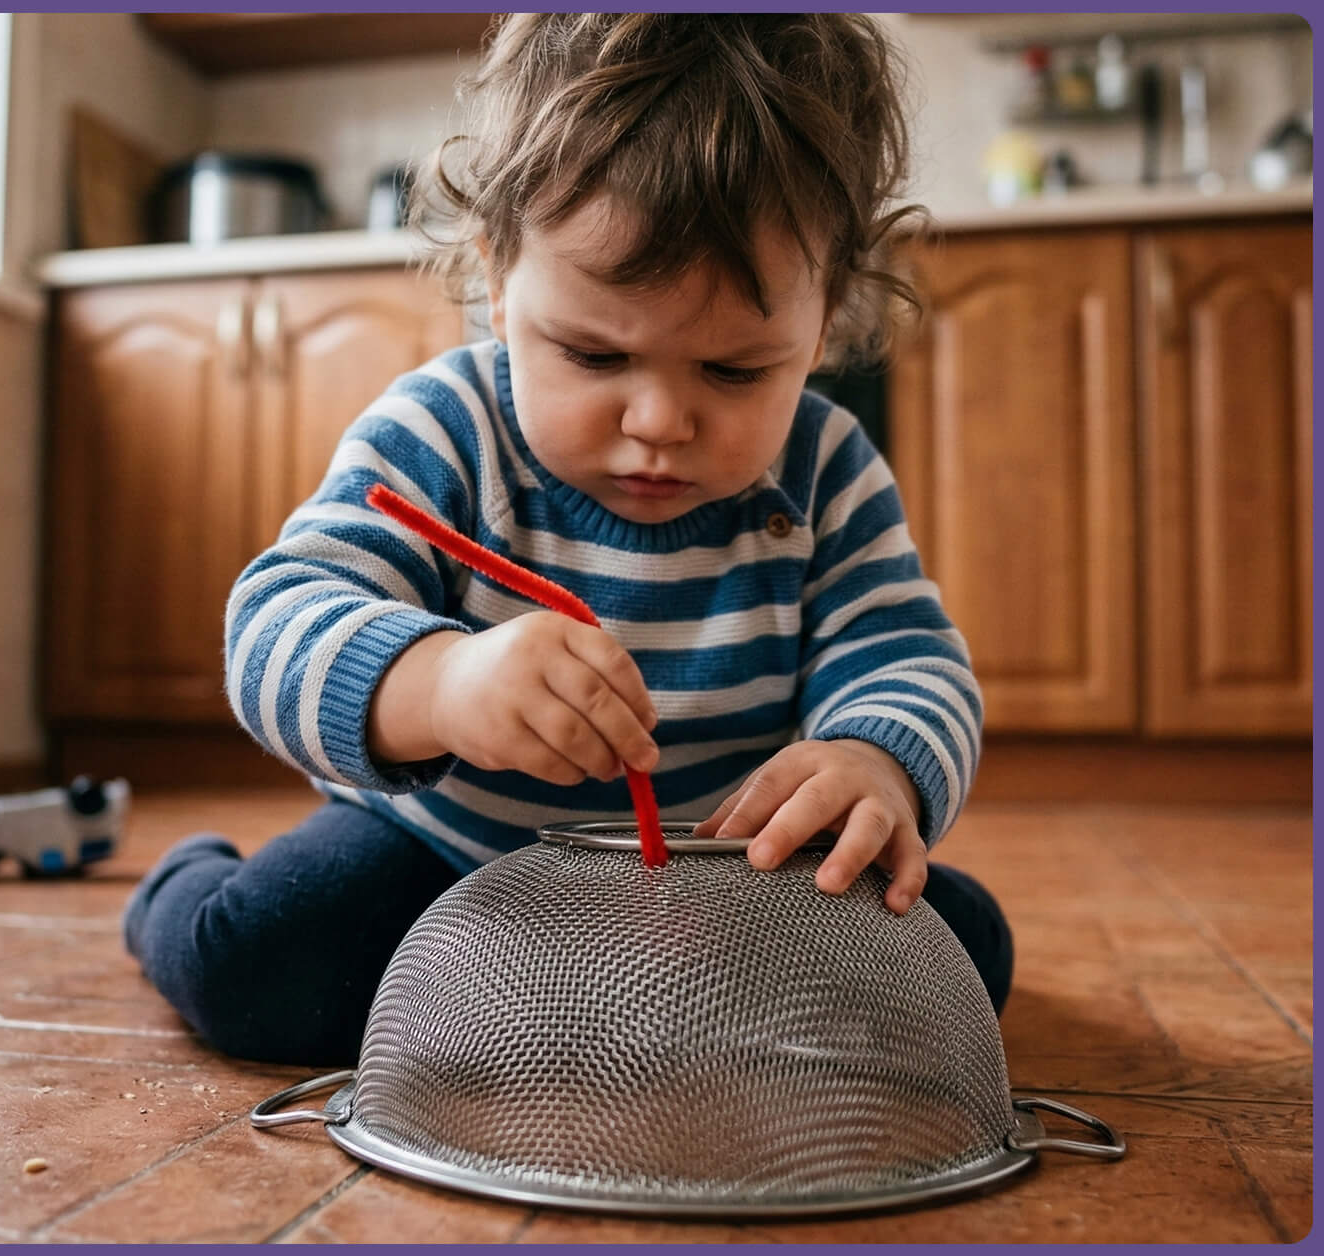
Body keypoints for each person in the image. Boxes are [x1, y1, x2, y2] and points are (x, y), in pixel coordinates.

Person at [122, 13, 1006, 1067]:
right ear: (499, 280)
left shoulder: (827, 469)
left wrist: (876, 761)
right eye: (592, 353)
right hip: (443, 859)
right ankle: (177, 885)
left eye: (735, 371)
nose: (658, 423)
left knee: (969, 951)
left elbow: (905, 653)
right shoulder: (446, 430)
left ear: (823, 324)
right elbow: (275, 624)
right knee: (256, 972)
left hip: (722, 886)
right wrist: (441, 681)